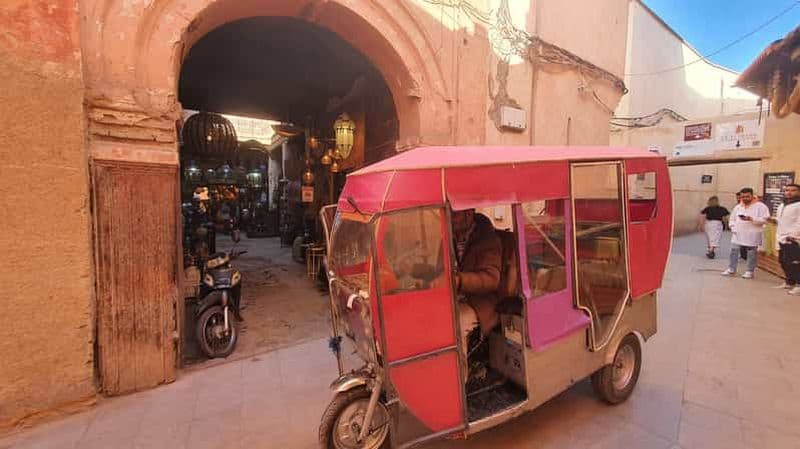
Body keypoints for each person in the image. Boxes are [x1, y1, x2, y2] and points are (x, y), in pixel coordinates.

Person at [452, 209, 502, 336]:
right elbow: (440, 269)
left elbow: (491, 279)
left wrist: (459, 280)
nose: (449, 218)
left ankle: (460, 356)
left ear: (468, 214)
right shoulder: (449, 238)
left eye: (454, 214)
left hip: (480, 301)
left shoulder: (487, 239)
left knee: (456, 325)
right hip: (453, 298)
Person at [722, 188, 770, 279]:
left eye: (747, 196)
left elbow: (765, 220)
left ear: (752, 195)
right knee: (733, 251)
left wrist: (752, 219)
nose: (745, 198)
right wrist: (733, 227)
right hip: (738, 233)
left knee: (751, 253)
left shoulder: (760, 206)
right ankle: (731, 269)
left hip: (752, 233)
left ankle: (749, 271)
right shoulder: (738, 207)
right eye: (743, 196)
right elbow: (732, 219)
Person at [768, 184, 800, 294]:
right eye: (787, 190)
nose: (789, 192)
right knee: (783, 261)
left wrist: (794, 235)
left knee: (794, 262)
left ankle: (799, 284)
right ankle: (789, 282)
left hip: (793, 238)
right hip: (781, 236)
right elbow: (782, 220)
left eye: (793, 190)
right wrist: (773, 220)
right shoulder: (782, 204)